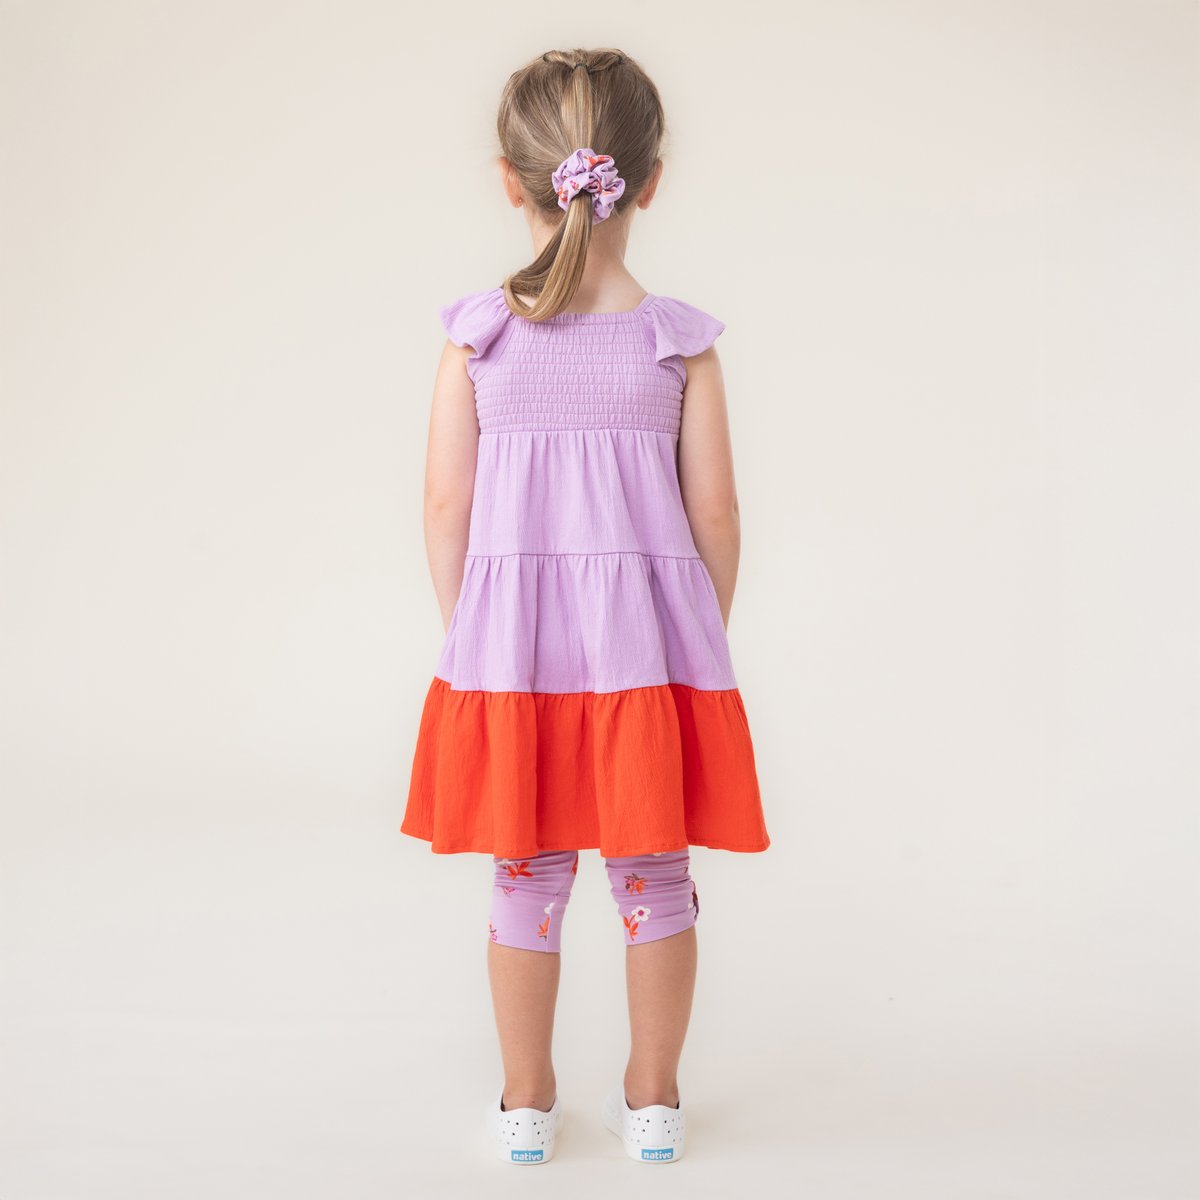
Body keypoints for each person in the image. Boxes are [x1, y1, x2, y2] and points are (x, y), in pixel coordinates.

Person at [400, 46, 770, 1165]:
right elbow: (717, 518)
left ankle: (526, 1106)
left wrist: (474, 631)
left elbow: (444, 506)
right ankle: (653, 1105)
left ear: (509, 181)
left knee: (527, 872)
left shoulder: (479, 338)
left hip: (515, 660)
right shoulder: (677, 344)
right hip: (644, 658)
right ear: (649, 181)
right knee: (656, 876)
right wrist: (694, 633)